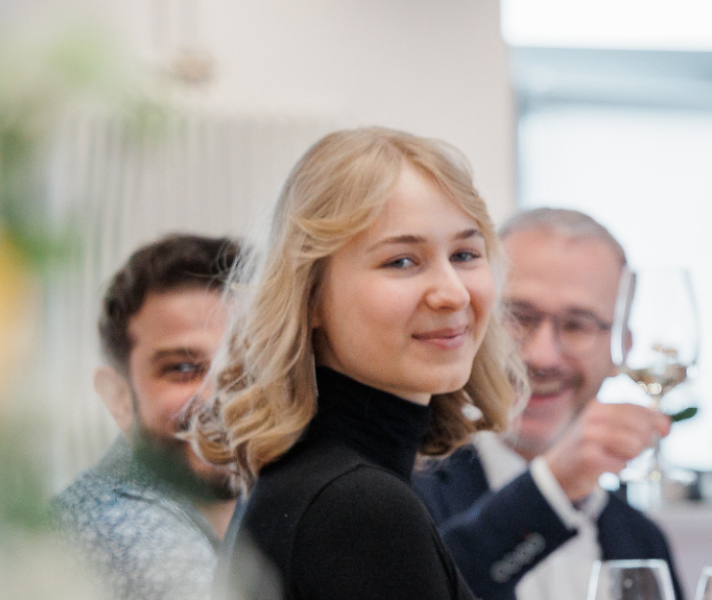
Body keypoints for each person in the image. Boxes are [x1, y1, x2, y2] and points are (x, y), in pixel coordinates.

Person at [194, 127, 522, 600]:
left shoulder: (322, 480)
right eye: (402, 262)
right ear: (310, 298)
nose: (453, 292)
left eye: (465, 254)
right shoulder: (358, 507)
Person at [413, 208, 677, 600]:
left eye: (577, 325)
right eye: (518, 317)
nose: (542, 357)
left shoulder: (642, 540)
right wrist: (551, 488)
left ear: (621, 347)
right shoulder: (411, 491)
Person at [53, 233, 242, 600]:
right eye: (184, 368)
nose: (221, 397)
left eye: (245, 365)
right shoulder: (137, 542)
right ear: (119, 397)